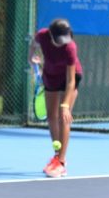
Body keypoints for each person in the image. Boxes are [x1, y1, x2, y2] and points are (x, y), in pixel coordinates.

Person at [28, 18, 82, 178]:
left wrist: (65, 105)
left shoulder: (70, 47)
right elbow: (33, 45)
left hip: (69, 78)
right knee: (51, 117)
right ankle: (57, 156)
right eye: (58, 39)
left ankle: (62, 163)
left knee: (63, 117)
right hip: (50, 75)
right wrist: (32, 57)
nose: (62, 43)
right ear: (50, 34)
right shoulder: (42, 36)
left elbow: (71, 80)